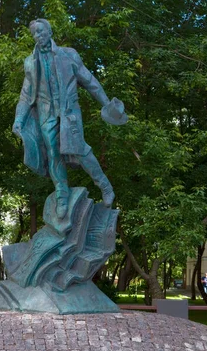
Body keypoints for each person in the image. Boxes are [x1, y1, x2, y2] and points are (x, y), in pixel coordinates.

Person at [13, 18, 128, 219]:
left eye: (41, 31)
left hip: (68, 113)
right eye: (34, 34)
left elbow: (90, 81)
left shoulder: (69, 55)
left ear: (49, 32)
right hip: (45, 112)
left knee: (81, 150)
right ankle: (62, 193)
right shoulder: (30, 63)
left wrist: (107, 104)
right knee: (52, 153)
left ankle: (105, 186)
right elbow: (25, 94)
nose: (38, 36)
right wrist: (18, 120)